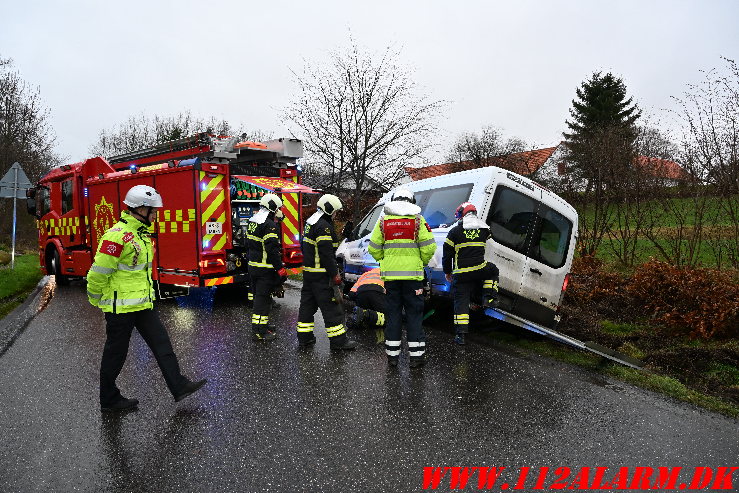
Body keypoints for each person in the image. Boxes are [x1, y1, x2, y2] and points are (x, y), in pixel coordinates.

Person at [87, 185, 207, 412]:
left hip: (142, 304)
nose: (155, 215)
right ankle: (109, 400)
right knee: (116, 354)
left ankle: (179, 386)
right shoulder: (116, 236)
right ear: (138, 209)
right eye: (152, 211)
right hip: (120, 309)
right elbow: (98, 272)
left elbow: (140, 273)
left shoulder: (141, 235)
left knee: (162, 344)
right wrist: (95, 299)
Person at [368, 189, 436, 368]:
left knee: (393, 314)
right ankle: (416, 358)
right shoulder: (418, 221)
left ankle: (392, 357)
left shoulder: (383, 222)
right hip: (413, 278)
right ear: (412, 201)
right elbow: (429, 248)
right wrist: (420, 262)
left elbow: (373, 248)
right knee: (414, 314)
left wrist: (386, 261)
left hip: (391, 278)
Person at [296, 194, 357, 350]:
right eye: (335, 211)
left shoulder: (311, 222)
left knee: (307, 307)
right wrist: (334, 274)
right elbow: (326, 254)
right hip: (322, 275)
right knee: (332, 309)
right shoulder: (324, 226)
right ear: (329, 209)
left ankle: (305, 338)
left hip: (309, 273)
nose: (336, 214)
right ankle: (339, 343)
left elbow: (305, 247)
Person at [442, 202, 500, 345]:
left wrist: (447, 272)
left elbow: (446, 255)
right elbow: (489, 234)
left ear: (462, 214)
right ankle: (488, 297)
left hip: (461, 274)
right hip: (479, 269)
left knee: (460, 303)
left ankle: (460, 336)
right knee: (493, 270)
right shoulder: (484, 230)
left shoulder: (454, 232)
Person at [246, 193, 288, 341]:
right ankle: (259, 332)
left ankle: (263, 325)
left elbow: (249, 245)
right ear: (272, 208)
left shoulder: (253, 220)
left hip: (253, 267)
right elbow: (271, 250)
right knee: (262, 300)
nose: (279, 211)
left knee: (261, 297)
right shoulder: (269, 225)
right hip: (264, 269)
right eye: (278, 208)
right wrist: (279, 268)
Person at [348, 268, 386, 344]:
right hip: (377, 292)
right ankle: (365, 314)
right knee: (392, 319)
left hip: (361, 293)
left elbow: (351, 294)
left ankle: (359, 316)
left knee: (367, 319)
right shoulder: (388, 272)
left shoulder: (366, 274)